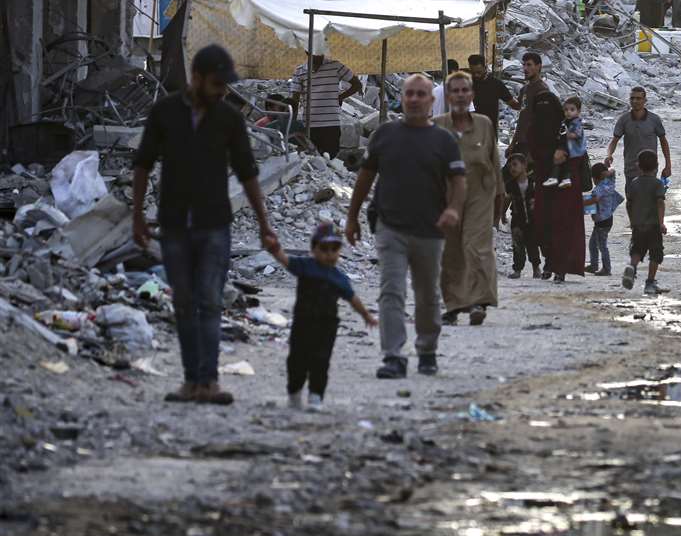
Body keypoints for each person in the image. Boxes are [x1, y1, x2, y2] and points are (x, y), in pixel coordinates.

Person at [132, 45, 279, 406]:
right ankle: (191, 381)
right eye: (216, 84)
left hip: (214, 223)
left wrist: (264, 224)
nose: (223, 92)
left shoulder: (228, 118)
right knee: (184, 303)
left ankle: (209, 382)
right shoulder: (165, 112)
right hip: (174, 223)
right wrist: (136, 215)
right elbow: (143, 163)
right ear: (195, 79)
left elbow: (248, 173)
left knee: (210, 302)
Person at [347, 73, 467, 381]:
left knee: (427, 294)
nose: (414, 99)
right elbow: (365, 177)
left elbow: (458, 181)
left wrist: (453, 209)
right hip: (391, 227)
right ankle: (393, 356)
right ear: (402, 97)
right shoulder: (385, 135)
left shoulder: (444, 140)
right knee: (392, 292)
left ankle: (427, 350)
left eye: (420, 95)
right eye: (409, 94)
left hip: (430, 229)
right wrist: (352, 217)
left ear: (431, 101)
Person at [271, 221, 374, 410]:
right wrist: (275, 249)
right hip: (303, 322)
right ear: (313, 249)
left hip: (327, 325)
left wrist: (366, 315)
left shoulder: (338, 278)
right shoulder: (305, 266)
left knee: (321, 360)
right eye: (324, 248)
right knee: (297, 359)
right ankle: (294, 392)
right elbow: (285, 260)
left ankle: (316, 395)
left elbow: (352, 298)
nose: (329, 254)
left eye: (334, 249)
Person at [435, 71, 504, 327]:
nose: (461, 95)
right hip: (448, 195)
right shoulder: (438, 126)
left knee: (475, 245)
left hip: (479, 193)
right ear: (448, 96)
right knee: (450, 251)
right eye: (456, 91)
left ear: (472, 95)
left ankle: (478, 301)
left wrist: (500, 201)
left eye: (465, 90)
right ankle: (454, 305)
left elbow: (494, 163)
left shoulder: (484, 124)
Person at [289, 54, 362, 158]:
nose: (318, 55)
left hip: (331, 125)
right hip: (310, 125)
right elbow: (294, 100)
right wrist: (292, 124)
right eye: (314, 52)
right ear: (307, 51)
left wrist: (340, 97)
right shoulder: (299, 71)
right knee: (313, 161)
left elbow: (357, 84)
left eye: (320, 52)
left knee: (331, 161)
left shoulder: (336, 66)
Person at [534, 145, 585, 282]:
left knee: (553, 225)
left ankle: (554, 265)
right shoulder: (573, 142)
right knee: (558, 227)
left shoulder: (553, 138)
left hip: (555, 189)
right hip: (562, 188)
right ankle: (555, 266)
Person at [621, 149, 667, 294]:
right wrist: (661, 223)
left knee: (637, 250)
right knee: (655, 254)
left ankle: (632, 267)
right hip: (653, 226)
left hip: (638, 225)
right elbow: (660, 203)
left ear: (638, 166)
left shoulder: (633, 184)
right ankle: (650, 282)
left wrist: (632, 220)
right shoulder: (657, 184)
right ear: (656, 166)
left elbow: (629, 204)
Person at [606, 87, 671, 181]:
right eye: (632, 98)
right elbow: (614, 141)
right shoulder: (623, 120)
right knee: (631, 194)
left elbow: (664, 142)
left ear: (645, 101)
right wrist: (609, 155)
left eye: (638, 98)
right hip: (631, 169)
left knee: (650, 194)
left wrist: (668, 165)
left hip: (650, 170)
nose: (635, 101)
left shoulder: (654, 119)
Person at [500, 149, 541, 278]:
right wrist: (502, 214)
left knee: (532, 244)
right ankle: (517, 269)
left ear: (524, 166)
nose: (512, 168)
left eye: (515, 164)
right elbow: (507, 199)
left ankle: (536, 267)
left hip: (532, 219)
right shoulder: (511, 185)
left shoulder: (533, 182)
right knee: (517, 246)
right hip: (517, 219)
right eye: (510, 166)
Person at [583, 161, 623, 276]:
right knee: (593, 244)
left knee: (601, 245)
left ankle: (606, 268)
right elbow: (613, 171)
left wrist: (580, 203)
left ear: (596, 178)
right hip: (607, 219)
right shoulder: (610, 182)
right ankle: (594, 265)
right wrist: (607, 171)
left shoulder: (599, 189)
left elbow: (594, 200)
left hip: (602, 221)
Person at [466, 54, 520, 126]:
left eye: (479, 72)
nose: (476, 75)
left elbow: (513, 103)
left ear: (485, 68)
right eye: (473, 73)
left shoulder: (496, 84)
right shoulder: (467, 84)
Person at [561, 96, 589, 187]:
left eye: (572, 109)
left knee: (572, 171)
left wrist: (565, 134)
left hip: (577, 153)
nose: (568, 112)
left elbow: (576, 134)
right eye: (566, 110)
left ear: (578, 111)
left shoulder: (577, 122)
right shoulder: (566, 121)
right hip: (571, 151)